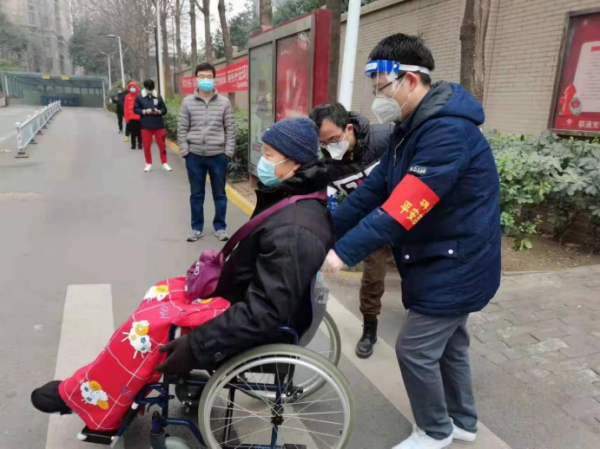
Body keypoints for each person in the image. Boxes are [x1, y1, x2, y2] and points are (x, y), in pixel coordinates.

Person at [30, 118, 333, 432]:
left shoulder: (295, 229)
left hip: (254, 315)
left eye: (269, 155)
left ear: (295, 162)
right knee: (160, 293)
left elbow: (266, 312)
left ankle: (89, 394)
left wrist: (197, 345)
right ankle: (101, 384)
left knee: (147, 329)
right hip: (243, 294)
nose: (262, 161)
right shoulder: (293, 199)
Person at [321, 34, 501, 449]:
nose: (378, 99)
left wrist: (342, 252)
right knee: (451, 346)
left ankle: (434, 431)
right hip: (443, 256)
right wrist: (328, 226)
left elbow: (405, 207)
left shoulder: (447, 132)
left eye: (382, 88)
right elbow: (375, 189)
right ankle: (462, 422)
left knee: (415, 350)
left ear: (412, 80)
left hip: (457, 262)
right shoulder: (410, 128)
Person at [310, 102, 392, 358]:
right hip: (371, 227)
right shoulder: (330, 167)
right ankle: (369, 328)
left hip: (405, 215)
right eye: (323, 144)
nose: (330, 147)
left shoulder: (386, 138)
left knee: (415, 271)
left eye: (334, 140)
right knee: (372, 278)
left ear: (348, 128)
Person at [178, 62, 236, 243]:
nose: (205, 80)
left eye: (209, 77)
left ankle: (220, 227)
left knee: (220, 194)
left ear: (214, 79)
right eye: (202, 77)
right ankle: (196, 228)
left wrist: (228, 152)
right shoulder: (187, 102)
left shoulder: (224, 102)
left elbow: (230, 128)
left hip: (218, 156)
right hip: (194, 156)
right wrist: (185, 151)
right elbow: (182, 128)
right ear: (196, 78)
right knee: (196, 195)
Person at [134, 79, 171, 173]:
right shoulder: (139, 97)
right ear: (145, 87)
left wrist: (158, 111)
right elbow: (135, 109)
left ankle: (164, 163)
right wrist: (144, 111)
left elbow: (164, 110)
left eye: (151, 89)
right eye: (148, 89)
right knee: (146, 146)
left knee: (162, 146)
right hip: (145, 126)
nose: (150, 90)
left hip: (158, 125)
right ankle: (148, 163)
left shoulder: (158, 96)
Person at [124, 81, 142, 151]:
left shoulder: (140, 96)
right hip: (131, 118)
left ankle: (140, 144)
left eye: (133, 87)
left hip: (139, 118)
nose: (132, 88)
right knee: (132, 133)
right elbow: (125, 108)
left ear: (136, 87)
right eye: (130, 87)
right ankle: (133, 145)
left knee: (139, 132)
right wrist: (126, 118)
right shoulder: (127, 96)